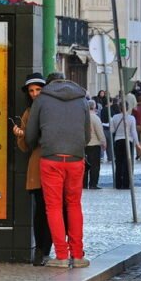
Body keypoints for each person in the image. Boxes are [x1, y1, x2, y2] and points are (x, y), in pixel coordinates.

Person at [23, 72, 91, 269]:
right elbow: (86, 136)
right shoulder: (81, 99)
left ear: (49, 85)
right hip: (76, 159)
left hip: (51, 158)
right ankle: (77, 255)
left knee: (53, 207)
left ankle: (61, 256)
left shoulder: (42, 100)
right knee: (73, 205)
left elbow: (30, 136)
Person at [13, 73, 54, 265]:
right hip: (37, 165)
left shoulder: (53, 110)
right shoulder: (28, 113)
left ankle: (49, 248)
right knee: (40, 209)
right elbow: (25, 147)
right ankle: (41, 249)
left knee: (52, 209)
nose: (35, 93)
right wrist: (21, 135)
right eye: (31, 91)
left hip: (54, 162)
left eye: (38, 89)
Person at [109, 103, 139, 189]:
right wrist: (137, 143)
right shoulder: (131, 118)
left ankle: (118, 183)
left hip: (118, 141)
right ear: (128, 108)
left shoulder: (114, 117)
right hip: (128, 141)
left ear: (119, 108)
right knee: (127, 163)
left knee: (118, 162)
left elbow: (112, 130)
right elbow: (133, 132)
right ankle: (126, 183)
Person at [84, 99, 106, 190]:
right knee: (95, 166)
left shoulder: (82, 117)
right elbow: (99, 132)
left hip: (84, 145)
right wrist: (103, 142)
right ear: (94, 107)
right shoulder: (95, 118)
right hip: (94, 144)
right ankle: (93, 184)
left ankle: (83, 184)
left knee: (84, 167)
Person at [132, 94, 141, 161]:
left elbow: (133, 117)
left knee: (137, 141)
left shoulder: (134, 109)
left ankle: (137, 154)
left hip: (136, 126)